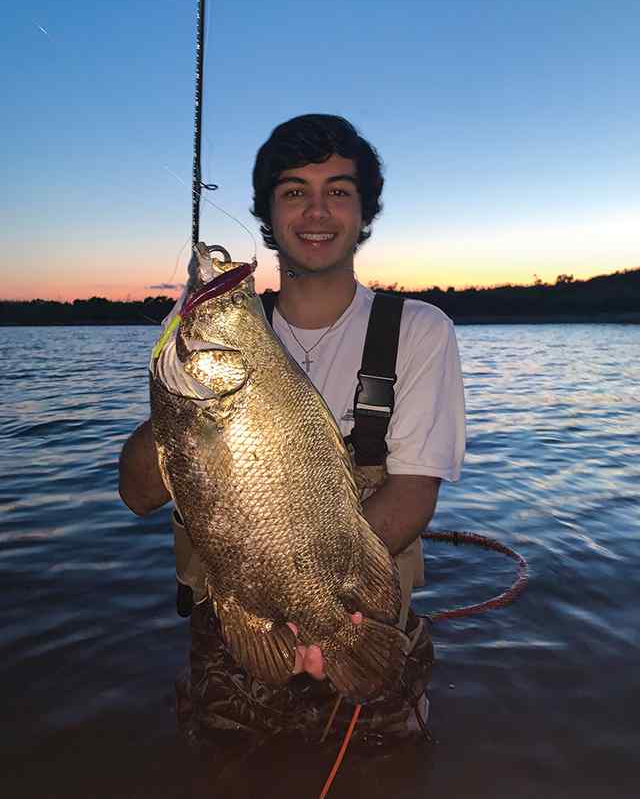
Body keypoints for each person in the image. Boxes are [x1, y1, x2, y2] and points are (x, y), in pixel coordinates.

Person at [119, 113, 465, 748]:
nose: (316, 210)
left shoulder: (419, 330)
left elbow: (413, 493)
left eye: (338, 190)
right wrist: (174, 393)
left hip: (362, 617)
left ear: (365, 213)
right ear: (267, 214)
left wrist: (323, 612)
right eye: (293, 191)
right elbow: (139, 494)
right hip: (233, 633)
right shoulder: (216, 328)